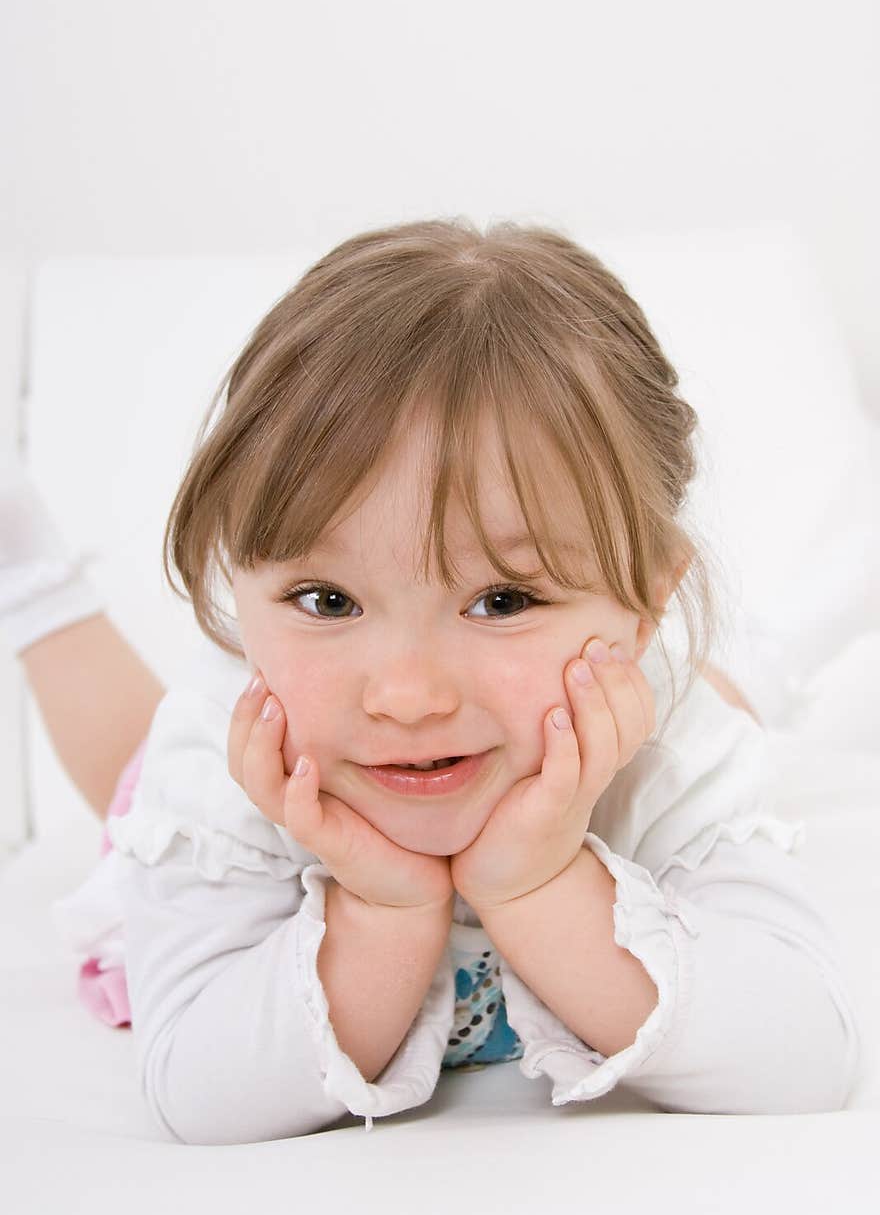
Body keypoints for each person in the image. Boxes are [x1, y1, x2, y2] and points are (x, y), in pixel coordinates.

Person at [0, 218, 860, 1145]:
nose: (405, 697)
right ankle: (34, 583)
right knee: (124, 771)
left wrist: (538, 885)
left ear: (646, 601)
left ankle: (757, 657)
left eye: (502, 600)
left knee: (663, 721)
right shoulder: (224, 751)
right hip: (280, 770)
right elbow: (201, 1096)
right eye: (327, 600)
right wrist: (383, 906)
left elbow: (806, 1054)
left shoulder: (669, 743)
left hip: (615, 709)